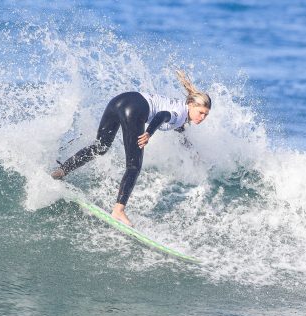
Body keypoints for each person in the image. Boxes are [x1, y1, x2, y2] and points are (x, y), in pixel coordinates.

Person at [51, 70, 211, 227]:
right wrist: (149, 133)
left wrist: (191, 151)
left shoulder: (180, 110)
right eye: (201, 112)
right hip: (134, 110)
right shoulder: (180, 114)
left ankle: (61, 171)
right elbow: (162, 115)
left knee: (100, 146)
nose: (202, 118)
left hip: (119, 101)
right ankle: (118, 210)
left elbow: (179, 129)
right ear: (191, 105)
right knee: (134, 166)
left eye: (206, 115)